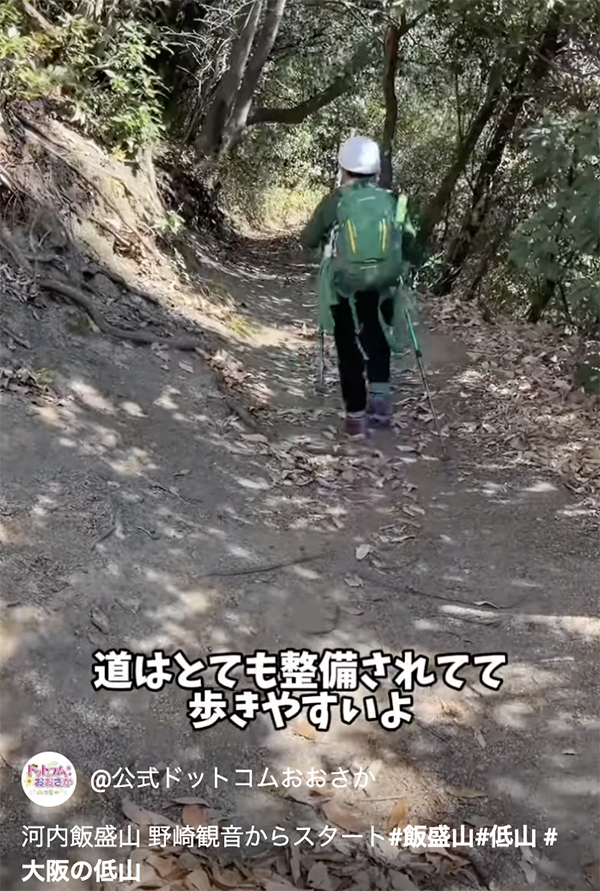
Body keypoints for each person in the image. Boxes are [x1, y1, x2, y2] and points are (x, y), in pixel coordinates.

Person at [301, 136, 420, 439]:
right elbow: (410, 242)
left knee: (347, 343)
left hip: (344, 284)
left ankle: (355, 417)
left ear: (343, 168)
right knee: (376, 332)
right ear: (376, 170)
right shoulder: (393, 201)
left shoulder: (335, 201)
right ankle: (380, 405)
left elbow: (308, 239)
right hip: (383, 281)